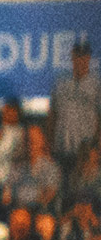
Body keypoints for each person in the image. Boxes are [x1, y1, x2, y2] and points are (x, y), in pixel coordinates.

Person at [49, 39, 98, 172]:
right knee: (63, 188)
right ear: (72, 57)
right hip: (61, 147)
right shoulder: (61, 83)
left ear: (88, 58)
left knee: (82, 189)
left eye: (84, 56)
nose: (80, 60)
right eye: (77, 56)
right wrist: (49, 143)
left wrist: (96, 147)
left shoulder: (96, 85)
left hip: (86, 149)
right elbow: (52, 115)